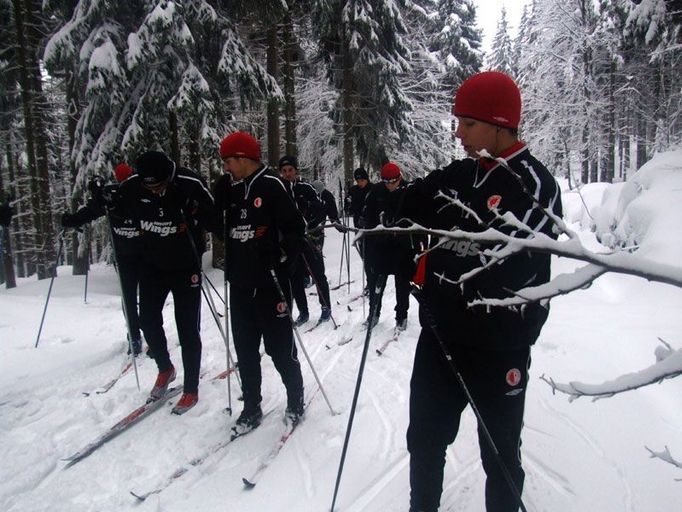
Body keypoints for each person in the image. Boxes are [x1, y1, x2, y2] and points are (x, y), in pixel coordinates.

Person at [398, 71, 563, 512]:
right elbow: (408, 204)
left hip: (498, 347)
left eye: (468, 123)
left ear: (499, 123)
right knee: (425, 440)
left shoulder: (534, 184)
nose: (459, 133)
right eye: (457, 122)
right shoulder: (460, 175)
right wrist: (392, 225)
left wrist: (441, 265)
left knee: (501, 456)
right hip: (440, 338)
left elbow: (513, 270)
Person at [216, 132, 306, 433]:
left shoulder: (272, 185)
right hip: (240, 283)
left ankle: (296, 398)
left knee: (279, 349)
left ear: (243, 158)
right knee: (245, 350)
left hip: (271, 284)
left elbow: (296, 230)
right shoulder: (231, 188)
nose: (227, 167)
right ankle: (251, 406)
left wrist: (278, 253)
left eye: (229, 161)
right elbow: (220, 228)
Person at [117, 150, 216, 415]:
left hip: (186, 265)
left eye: (159, 185)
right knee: (147, 320)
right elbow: (112, 205)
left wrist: (196, 211)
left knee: (187, 329)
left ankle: (191, 387)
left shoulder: (188, 182)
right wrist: (104, 202)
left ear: (168, 176)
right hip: (152, 265)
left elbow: (214, 214)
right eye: (149, 186)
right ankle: (165, 368)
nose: (155, 190)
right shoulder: (131, 187)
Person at [61, 163, 146, 356]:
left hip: (134, 256)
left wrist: (73, 219)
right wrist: (75, 218)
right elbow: (93, 210)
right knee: (133, 298)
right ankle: (138, 335)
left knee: (131, 298)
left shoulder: (121, 193)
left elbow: (91, 211)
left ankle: (138, 335)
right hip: (133, 256)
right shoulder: (113, 195)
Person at [361, 162, 419, 331]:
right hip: (381, 247)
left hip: (402, 247)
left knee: (402, 284)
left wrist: (418, 245)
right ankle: (374, 313)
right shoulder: (377, 191)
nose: (389, 185)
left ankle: (401, 316)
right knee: (375, 282)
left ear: (399, 177)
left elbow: (417, 220)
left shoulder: (408, 191)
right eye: (386, 182)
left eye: (392, 182)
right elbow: (369, 215)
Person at [278, 156, 332, 326]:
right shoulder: (278, 190)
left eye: (290, 171)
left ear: (296, 171)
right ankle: (303, 311)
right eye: (284, 171)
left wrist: (311, 225)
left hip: (309, 237)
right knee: (295, 276)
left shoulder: (305, 188)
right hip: (290, 241)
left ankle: (325, 306)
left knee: (317, 272)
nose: (287, 174)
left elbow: (320, 209)